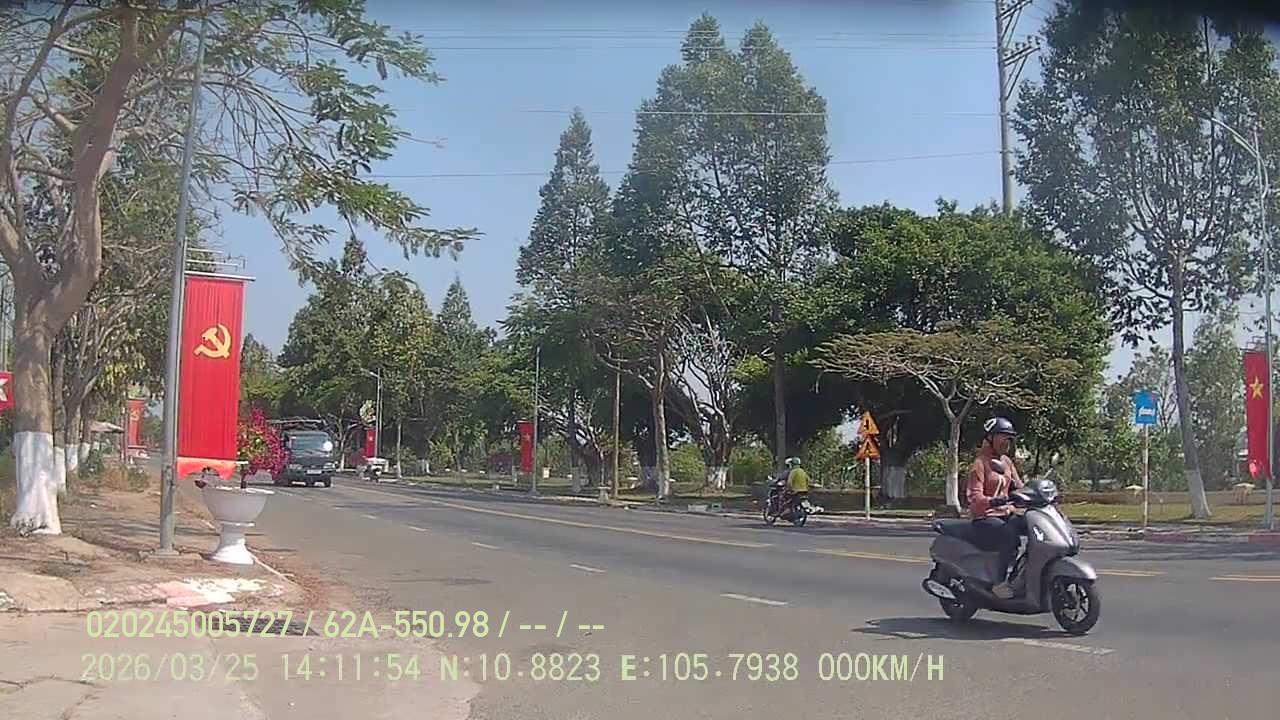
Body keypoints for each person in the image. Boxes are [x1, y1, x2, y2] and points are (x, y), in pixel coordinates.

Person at [965, 417, 1026, 599]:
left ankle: (1025, 574)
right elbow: (974, 496)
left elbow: (1019, 486)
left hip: (1006, 513)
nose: (1007, 441)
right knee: (1009, 535)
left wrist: (1039, 494)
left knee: (1031, 525)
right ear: (990, 438)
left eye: (1009, 438)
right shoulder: (980, 463)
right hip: (985, 517)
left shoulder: (1006, 462)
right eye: (1002, 437)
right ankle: (999, 582)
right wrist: (992, 501)